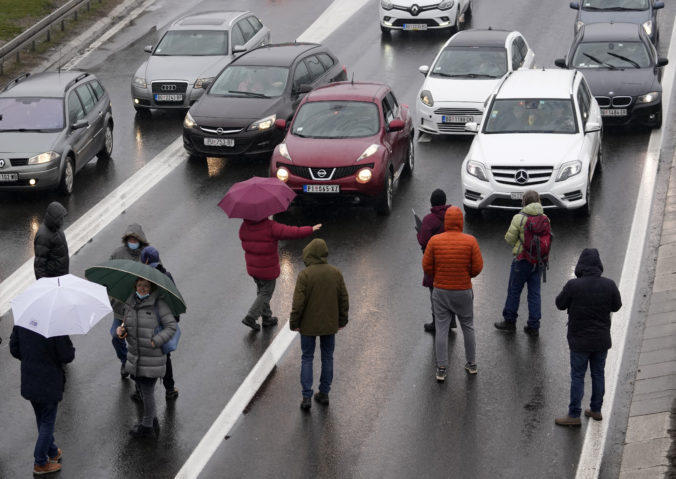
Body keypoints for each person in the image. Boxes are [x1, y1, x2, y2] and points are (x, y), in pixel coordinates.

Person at [554, 249, 622, 427]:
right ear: (599, 265)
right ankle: (596, 409)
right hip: (601, 340)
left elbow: (559, 304)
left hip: (579, 341)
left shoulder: (573, 286)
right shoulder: (609, 285)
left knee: (578, 376)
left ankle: (574, 414)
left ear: (581, 265)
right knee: (598, 374)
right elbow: (617, 306)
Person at [422, 206, 483, 381]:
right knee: (468, 327)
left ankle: (441, 368)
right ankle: (471, 363)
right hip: (463, 291)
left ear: (447, 222)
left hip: (441, 291)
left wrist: (437, 275)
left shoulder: (435, 241)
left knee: (441, 329)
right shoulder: (470, 241)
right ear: (461, 222)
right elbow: (478, 267)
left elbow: (426, 265)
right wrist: (467, 275)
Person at [290, 238, 349, 410]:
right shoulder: (335, 273)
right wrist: (342, 320)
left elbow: (298, 303)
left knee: (307, 358)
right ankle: (324, 393)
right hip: (330, 325)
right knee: (327, 357)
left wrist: (294, 323)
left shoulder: (305, 275)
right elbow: (343, 299)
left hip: (307, 326)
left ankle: (306, 397)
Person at [9, 325, 75, 475]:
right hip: (49, 382)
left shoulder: (22, 322)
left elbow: (14, 349)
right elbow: (67, 356)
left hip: (29, 379)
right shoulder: (56, 326)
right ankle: (40, 462)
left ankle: (52, 451)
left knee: (41, 417)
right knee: (47, 421)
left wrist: (29, 359)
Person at [116, 277, 177, 438]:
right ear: (135, 286)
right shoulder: (130, 304)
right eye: (140, 285)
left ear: (151, 288)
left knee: (147, 391)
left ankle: (147, 426)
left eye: (146, 286)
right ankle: (152, 419)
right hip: (135, 356)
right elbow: (127, 326)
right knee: (143, 390)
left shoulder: (159, 304)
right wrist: (121, 332)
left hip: (152, 357)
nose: (143, 288)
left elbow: (172, 327)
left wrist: (155, 341)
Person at [239, 216, 321, 331]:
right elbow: (291, 232)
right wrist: (310, 229)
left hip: (253, 267)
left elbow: (242, 239)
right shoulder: (270, 226)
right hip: (267, 268)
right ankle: (251, 317)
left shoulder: (245, 226)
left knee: (261, 291)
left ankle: (267, 317)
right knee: (265, 293)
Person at [495, 190, 548, 336]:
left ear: (524, 201)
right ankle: (534, 326)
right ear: (538, 201)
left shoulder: (519, 218)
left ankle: (510, 322)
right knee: (534, 294)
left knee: (514, 290)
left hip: (521, 260)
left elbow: (509, 239)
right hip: (537, 262)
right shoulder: (545, 218)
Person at [138, 246, 179, 401]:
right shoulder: (166, 275)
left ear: (146, 260)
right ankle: (169, 389)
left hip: (144, 324)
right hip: (162, 324)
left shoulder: (141, 278)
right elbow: (174, 298)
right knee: (164, 357)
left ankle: (141, 391)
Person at [108, 224, 149, 378]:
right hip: (121, 309)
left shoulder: (146, 256)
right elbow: (109, 276)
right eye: (130, 239)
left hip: (139, 308)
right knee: (115, 336)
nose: (132, 241)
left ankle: (136, 368)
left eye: (135, 239)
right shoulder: (117, 254)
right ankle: (125, 361)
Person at [416, 189, 456, 333]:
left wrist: (418, 232)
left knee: (435, 293)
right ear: (444, 201)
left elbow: (423, 241)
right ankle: (451, 320)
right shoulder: (453, 216)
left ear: (432, 202)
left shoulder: (428, 220)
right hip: (451, 260)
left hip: (434, 263)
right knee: (449, 290)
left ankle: (437, 322)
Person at [34, 201, 69, 280]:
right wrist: (44, 284)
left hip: (60, 277)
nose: (62, 220)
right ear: (54, 218)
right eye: (60, 218)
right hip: (53, 280)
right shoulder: (43, 236)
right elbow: (39, 266)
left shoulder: (56, 228)